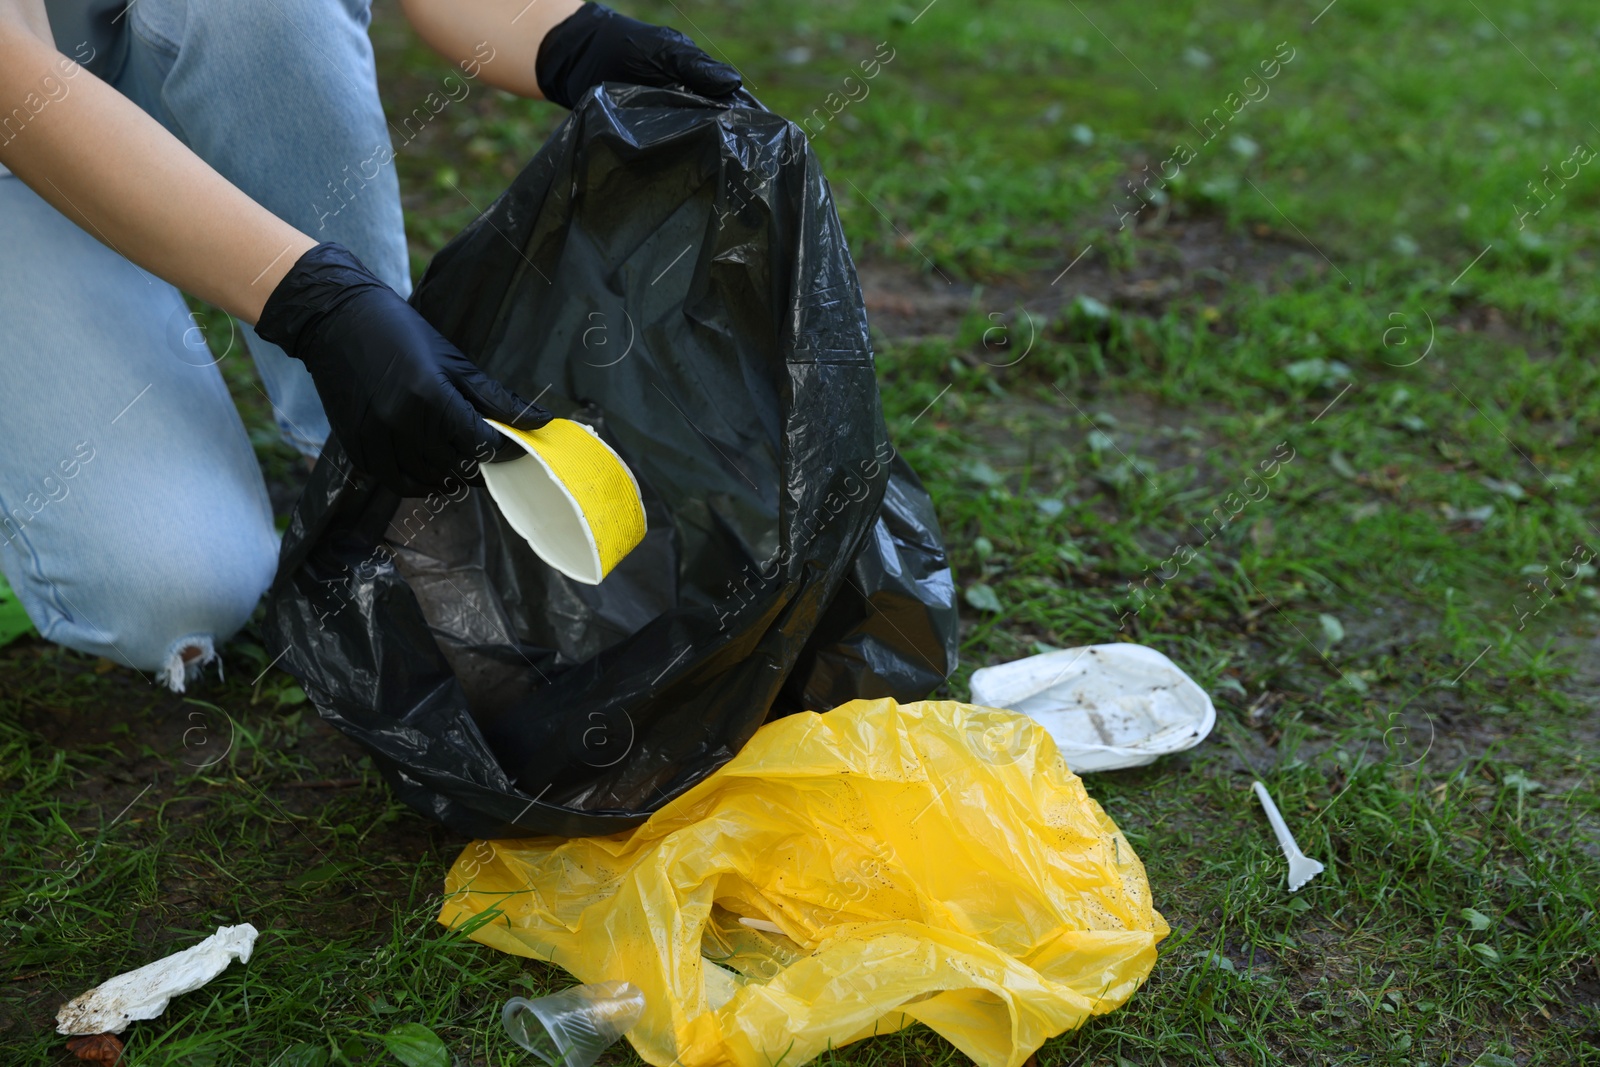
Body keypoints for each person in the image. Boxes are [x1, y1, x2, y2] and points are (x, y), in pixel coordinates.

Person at [0, 0, 739, 689]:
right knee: (177, 592)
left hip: (125, 42)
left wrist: (567, 37)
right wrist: (315, 302)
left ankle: (378, 484)